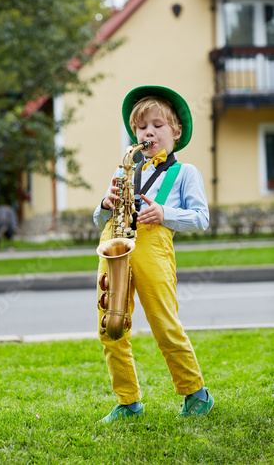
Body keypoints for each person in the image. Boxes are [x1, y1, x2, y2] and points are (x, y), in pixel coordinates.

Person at [93, 85, 214, 422]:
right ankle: (128, 402)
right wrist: (105, 205)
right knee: (110, 326)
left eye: (158, 126)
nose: (149, 132)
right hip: (116, 243)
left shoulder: (186, 172)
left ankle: (196, 393)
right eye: (141, 127)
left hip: (154, 247)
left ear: (176, 131)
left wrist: (165, 213)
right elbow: (98, 217)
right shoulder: (124, 170)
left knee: (164, 324)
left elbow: (202, 218)